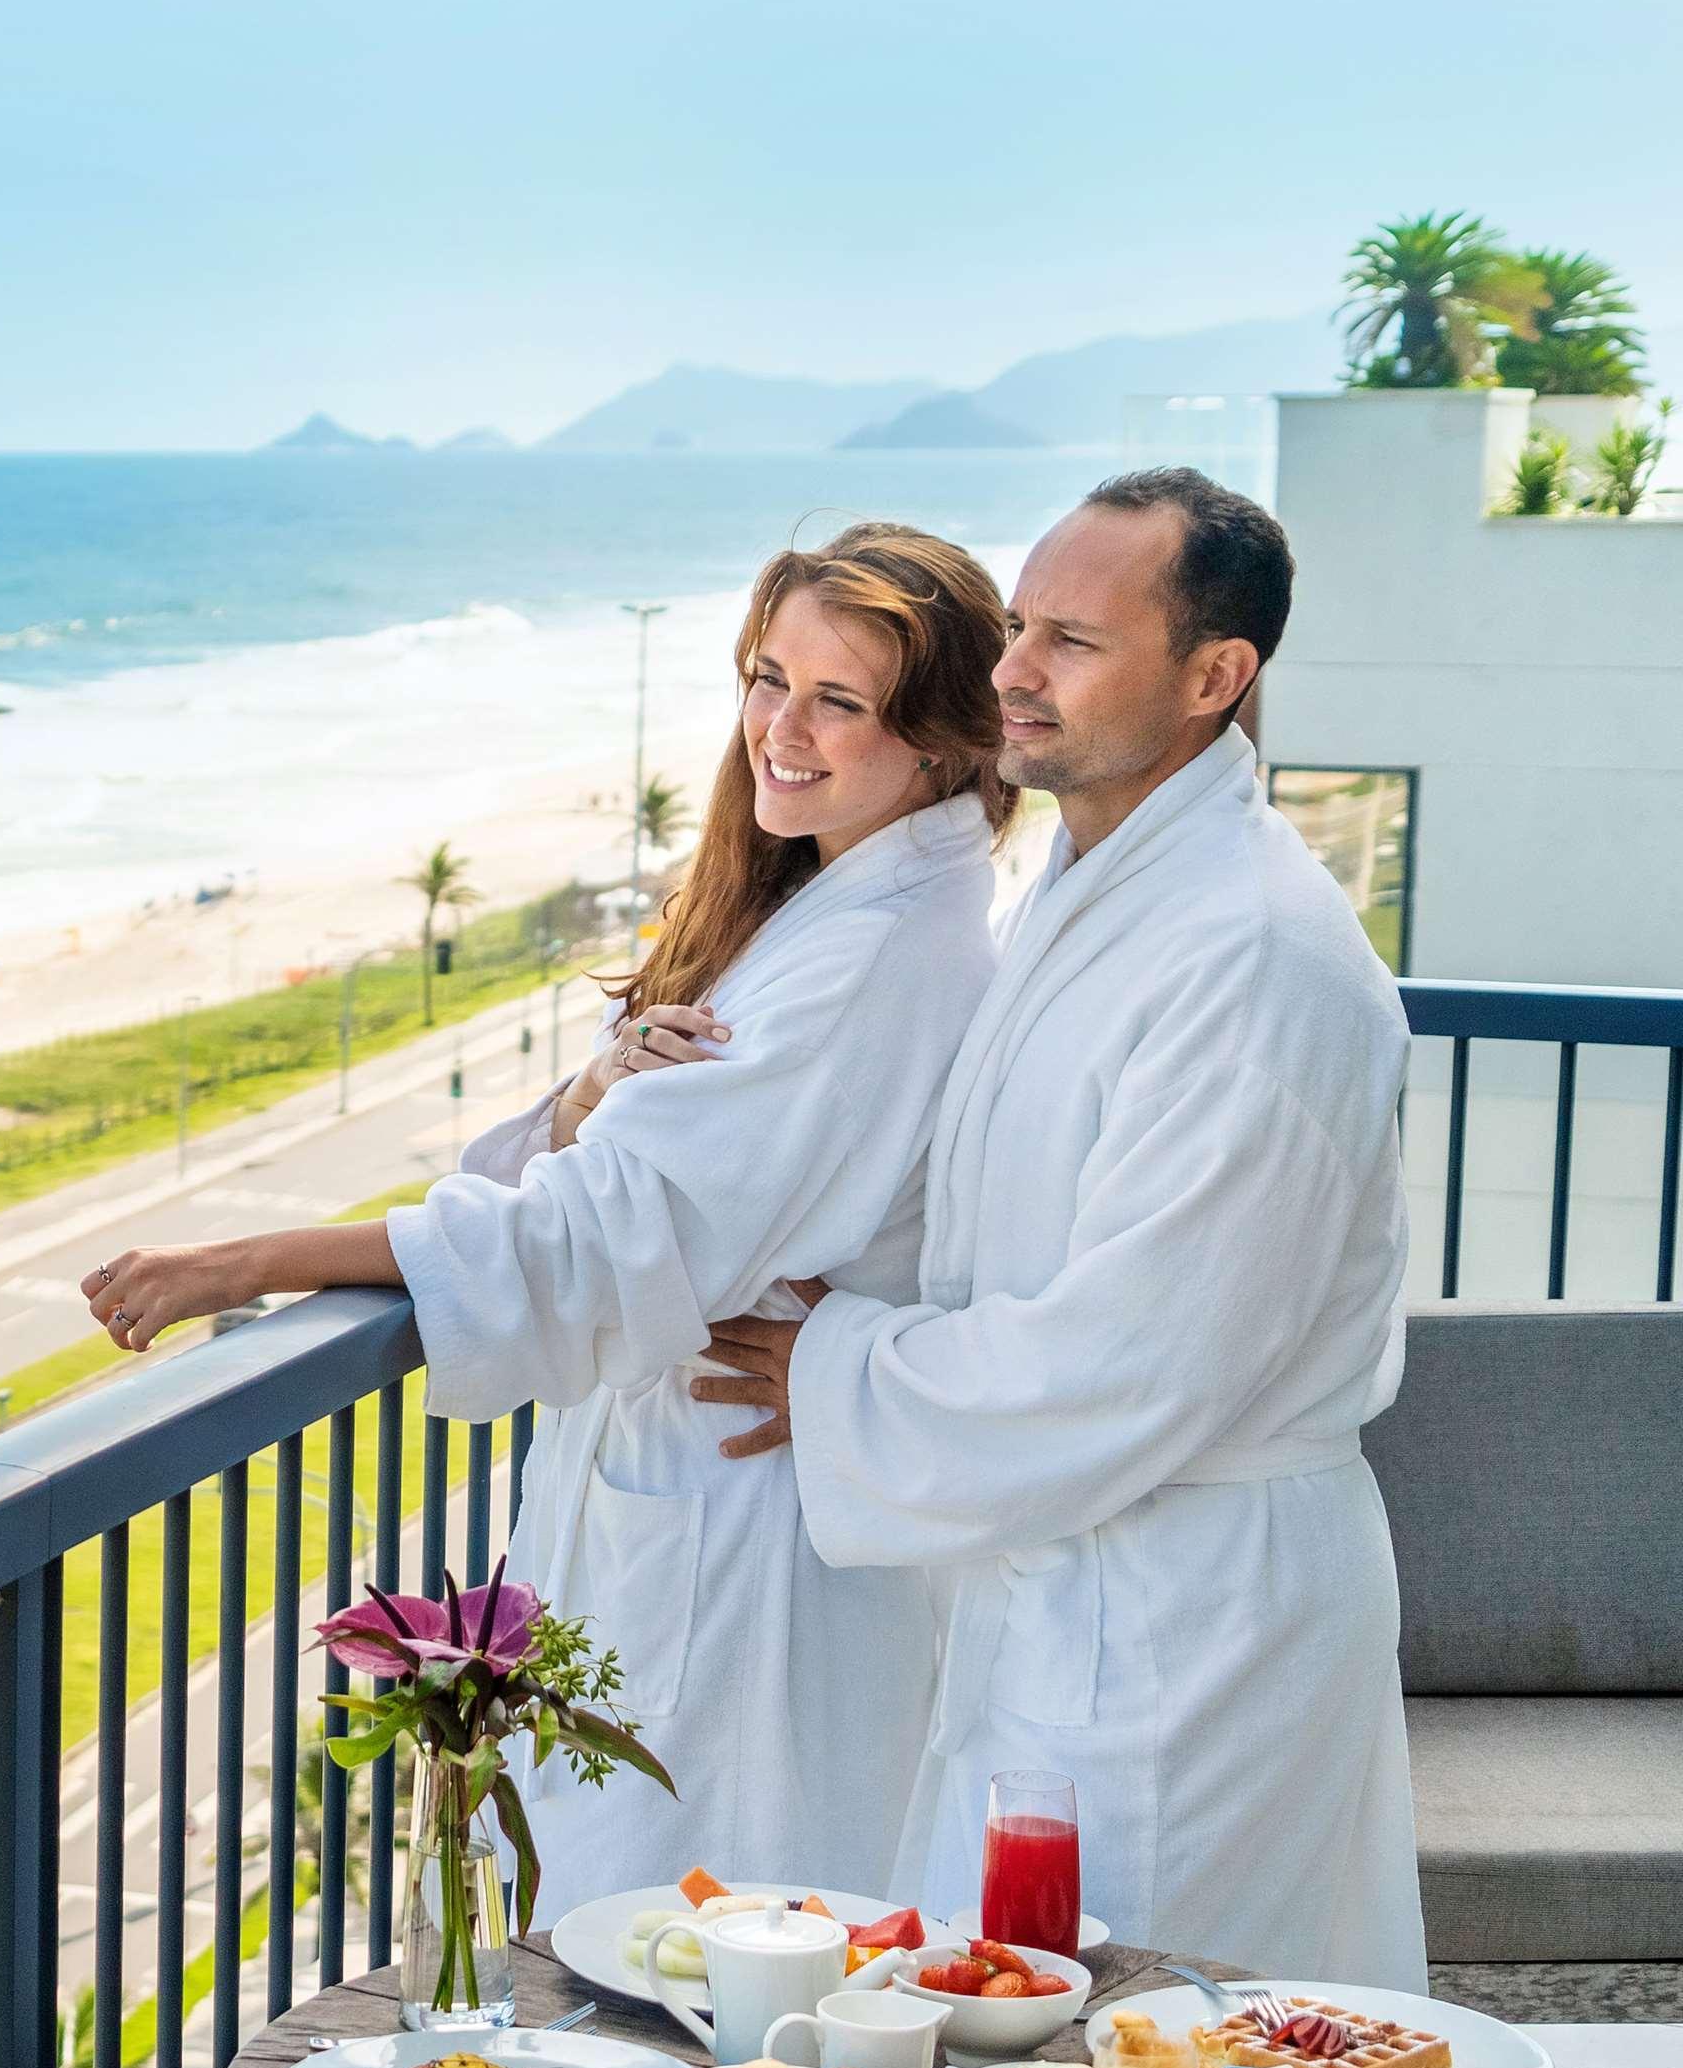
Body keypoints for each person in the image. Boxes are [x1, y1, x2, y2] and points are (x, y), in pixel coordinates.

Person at [76, 523, 1010, 1905]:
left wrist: (249, 1260)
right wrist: (586, 1102)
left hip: (747, 1535)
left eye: (840, 700)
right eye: (768, 678)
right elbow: (597, 1170)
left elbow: (580, 1241)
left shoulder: (873, 957)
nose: (781, 729)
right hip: (717, 1493)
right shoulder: (828, 901)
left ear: (939, 741)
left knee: (686, 1926)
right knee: (681, 1917)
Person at [696, 469, 1424, 1999]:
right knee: (1037, 2050)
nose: (1014, 670)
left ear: (1215, 678)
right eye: (1019, 627)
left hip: (1185, 1623)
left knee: (1163, 2058)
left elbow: (1137, 1358)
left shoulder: (1258, 959)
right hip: (1076, 1584)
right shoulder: (1093, 890)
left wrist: (831, 1364)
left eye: (1073, 642)